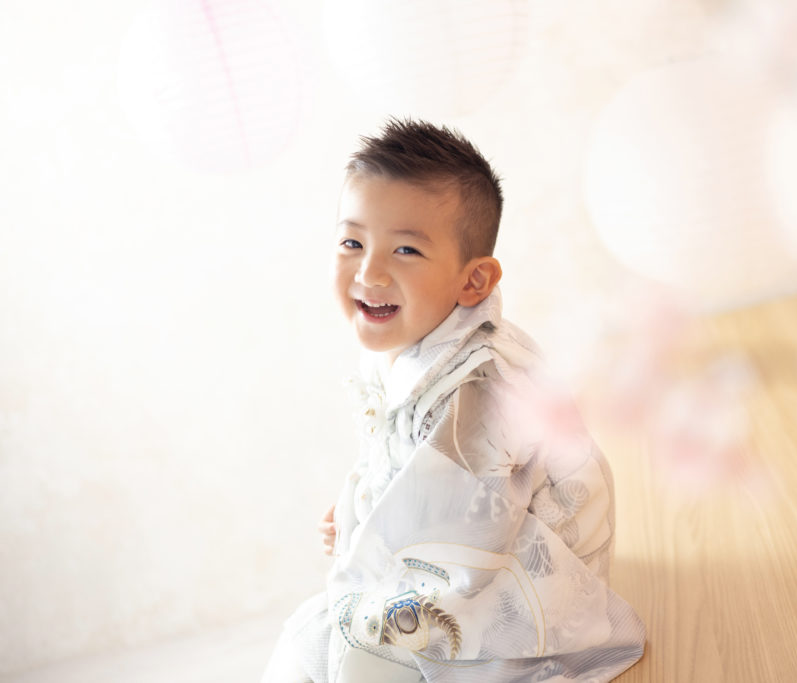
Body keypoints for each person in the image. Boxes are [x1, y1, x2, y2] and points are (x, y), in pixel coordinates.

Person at [262, 118, 645, 682]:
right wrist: (358, 507)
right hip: (467, 535)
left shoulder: (475, 390)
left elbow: (461, 546)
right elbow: (400, 459)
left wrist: (367, 551)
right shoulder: (413, 339)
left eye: (406, 250)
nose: (370, 272)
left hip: (524, 573)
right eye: (352, 242)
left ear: (474, 282)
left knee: (342, 655)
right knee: (317, 647)